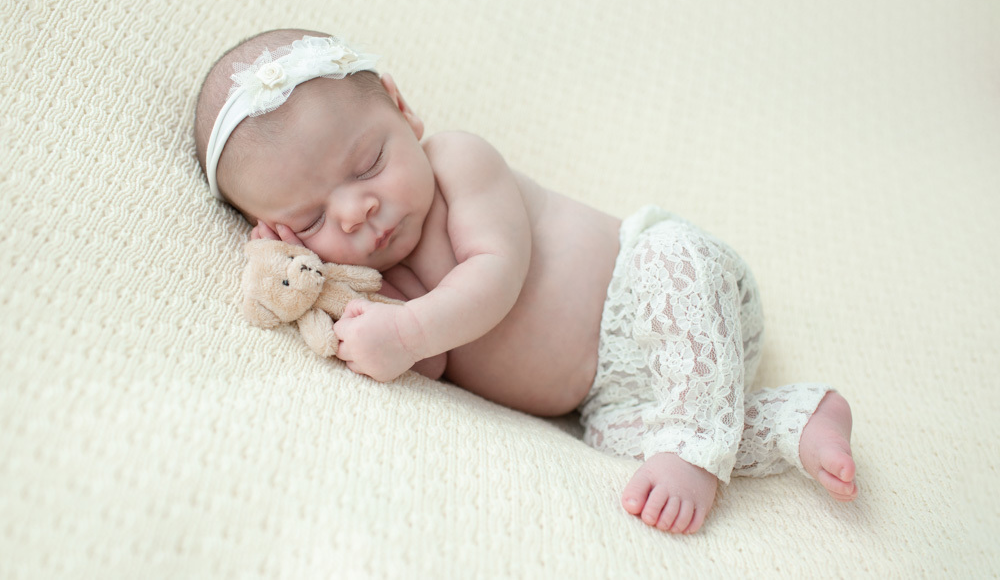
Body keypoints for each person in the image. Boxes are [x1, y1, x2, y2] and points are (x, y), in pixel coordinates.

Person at [194, 28, 858, 535]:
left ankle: (694, 448)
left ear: (403, 109)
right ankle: (796, 421)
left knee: (673, 258)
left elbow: (497, 275)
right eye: (310, 218)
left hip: (661, 292)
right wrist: (348, 303)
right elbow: (437, 360)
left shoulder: (458, 161)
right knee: (626, 440)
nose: (354, 211)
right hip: (602, 396)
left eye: (369, 163)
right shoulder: (381, 280)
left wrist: (407, 326)